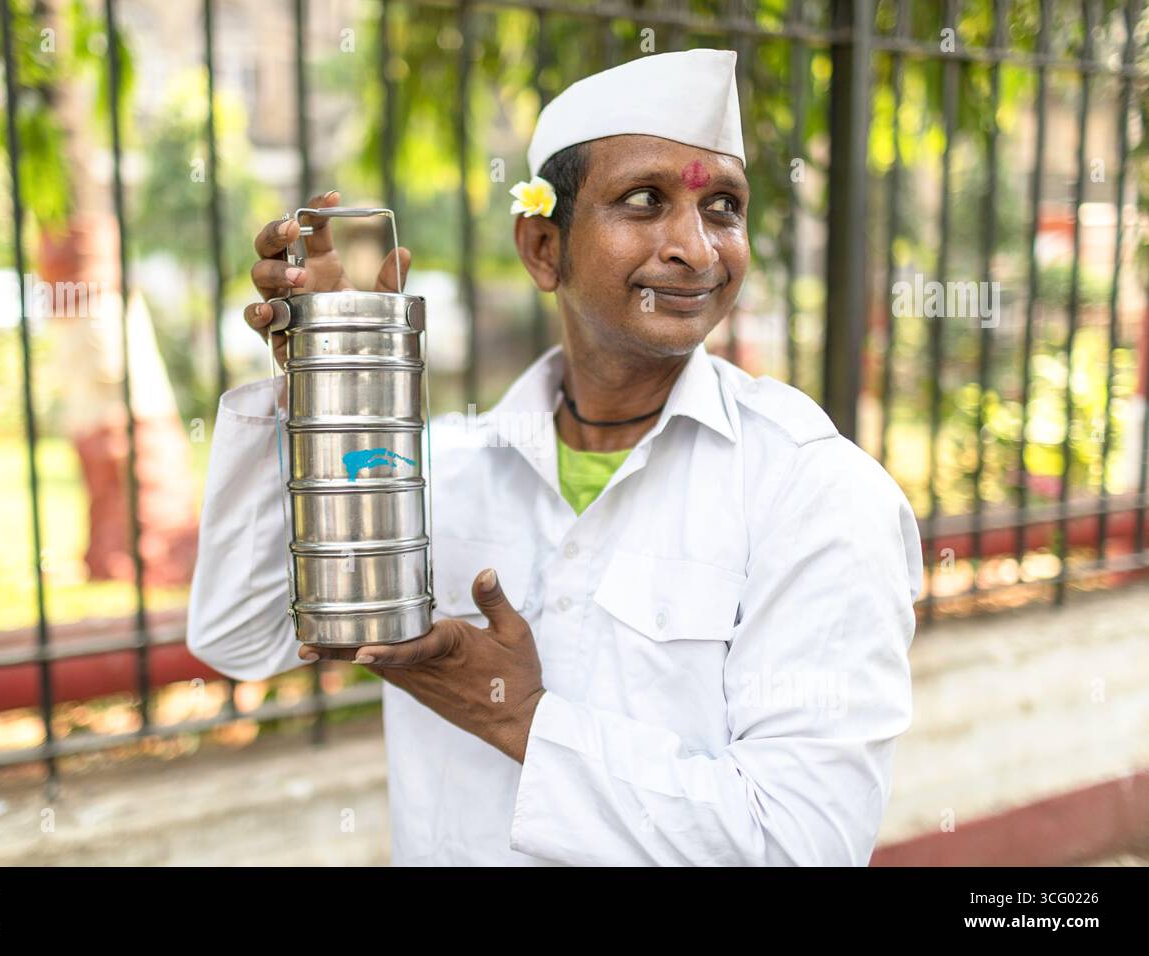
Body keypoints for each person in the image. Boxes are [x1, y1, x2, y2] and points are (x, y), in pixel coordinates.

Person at [187, 48, 924, 866]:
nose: (696, 249)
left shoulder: (816, 494)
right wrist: (325, 384)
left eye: (722, 208)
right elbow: (239, 638)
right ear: (543, 246)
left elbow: (800, 846)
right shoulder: (439, 469)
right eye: (644, 201)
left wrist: (516, 715)